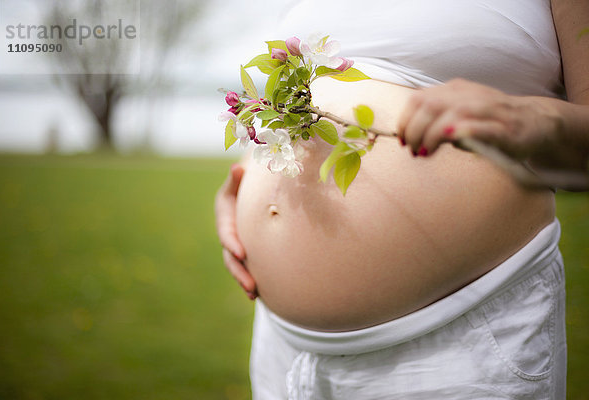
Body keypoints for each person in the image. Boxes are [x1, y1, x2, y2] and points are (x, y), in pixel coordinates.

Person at [215, 0, 588, 398]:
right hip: (283, 350)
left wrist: (534, 118)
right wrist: (247, 180)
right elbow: (310, 95)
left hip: (458, 343)